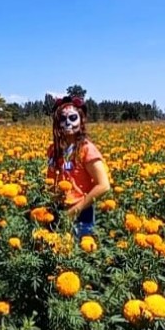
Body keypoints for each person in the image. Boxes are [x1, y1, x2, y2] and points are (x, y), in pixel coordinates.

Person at [46, 96, 111, 238]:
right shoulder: (54, 150)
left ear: (81, 120)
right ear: (57, 123)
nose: (67, 123)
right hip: (56, 209)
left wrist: (76, 209)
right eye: (62, 119)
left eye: (73, 117)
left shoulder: (87, 149)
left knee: (77, 254)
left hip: (81, 213)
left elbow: (104, 185)